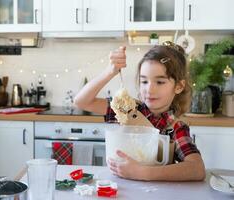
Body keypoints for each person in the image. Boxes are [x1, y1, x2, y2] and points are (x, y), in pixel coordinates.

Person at [74, 42, 206, 181]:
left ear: (179, 86)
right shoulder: (127, 109)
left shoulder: (175, 128)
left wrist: (143, 172)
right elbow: (82, 101)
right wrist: (110, 71)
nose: (149, 90)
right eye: (144, 81)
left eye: (160, 82)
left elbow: (197, 169)